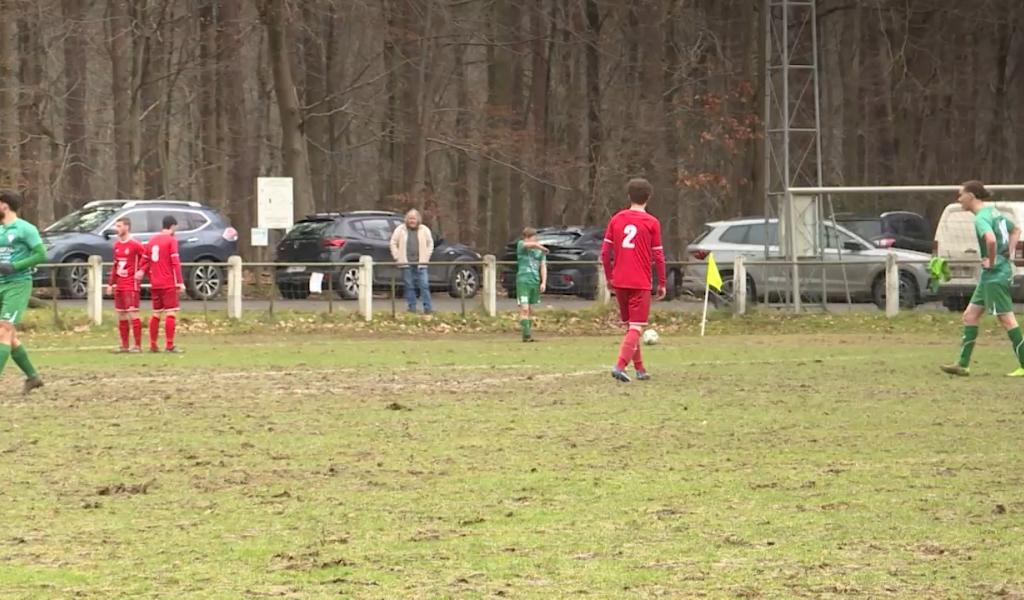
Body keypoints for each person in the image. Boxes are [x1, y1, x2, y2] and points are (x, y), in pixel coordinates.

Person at [941, 181, 1024, 377]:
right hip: (992, 275)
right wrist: (1007, 255)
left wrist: (993, 261)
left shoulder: (981, 219)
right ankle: (962, 364)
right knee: (970, 316)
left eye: (961, 194)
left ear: (971, 196)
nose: (959, 198)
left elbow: (991, 240)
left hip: (994, 275)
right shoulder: (993, 213)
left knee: (1007, 320)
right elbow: (1015, 230)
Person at [600, 178, 667, 382]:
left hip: (620, 280)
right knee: (636, 327)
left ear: (629, 196)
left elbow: (604, 252)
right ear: (649, 197)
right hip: (639, 282)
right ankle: (620, 366)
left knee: (632, 327)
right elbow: (658, 256)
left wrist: (610, 277)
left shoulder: (617, 219)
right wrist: (662, 282)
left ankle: (640, 369)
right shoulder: (652, 222)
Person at [0, 190, 46, 393]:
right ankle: (33, 377)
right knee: (9, 335)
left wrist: (16, 266)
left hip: (18, 284)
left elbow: (40, 254)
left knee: (3, 330)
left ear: (4, 205)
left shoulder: (25, 229)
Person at [137, 215, 185, 353]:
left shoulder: (152, 241)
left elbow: (144, 261)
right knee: (171, 313)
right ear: (173, 226)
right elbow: (175, 262)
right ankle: (169, 345)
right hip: (168, 282)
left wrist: (142, 272)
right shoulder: (171, 241)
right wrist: (180, 282)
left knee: (156, 313)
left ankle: (153, 344)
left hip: (155, 283)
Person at [106, 217, 145, 352]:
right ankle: (124, 345)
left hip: (131, 284)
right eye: (116, 226)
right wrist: (111, 284)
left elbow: (146, 258)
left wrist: (141, 270)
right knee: (121, 314)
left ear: (126, 227)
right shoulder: (117, 245)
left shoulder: (135, 244)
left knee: (133, 313)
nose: (117, 229)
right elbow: (116, 265)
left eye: (119, 226)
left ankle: (138, 345)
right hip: (120, 285)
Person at [389, 209, 434, 314]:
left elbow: (430, 244)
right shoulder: (400, 229)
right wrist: (397, 256)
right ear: (407, 219)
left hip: (421, 264)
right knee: (409, 286)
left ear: (418, 219)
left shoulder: (424, 230)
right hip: (406, 263)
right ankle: (412, 308)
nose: (412, 221)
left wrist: (426, 257)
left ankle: (428, 308)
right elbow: (393, 242)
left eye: (413, 218)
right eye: (410, 218)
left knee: (424, 285)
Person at [516, 227, 548, 342]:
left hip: (534, 281)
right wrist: (538, 246)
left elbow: (543, 267)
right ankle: (526, 336)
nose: (535, 240)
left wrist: (543, 282)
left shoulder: (540, 252)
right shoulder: (521, 245)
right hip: (523, 280)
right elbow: (526, 245)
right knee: (524, 308)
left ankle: (528, 334)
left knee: (530, 309)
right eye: (532, 238)